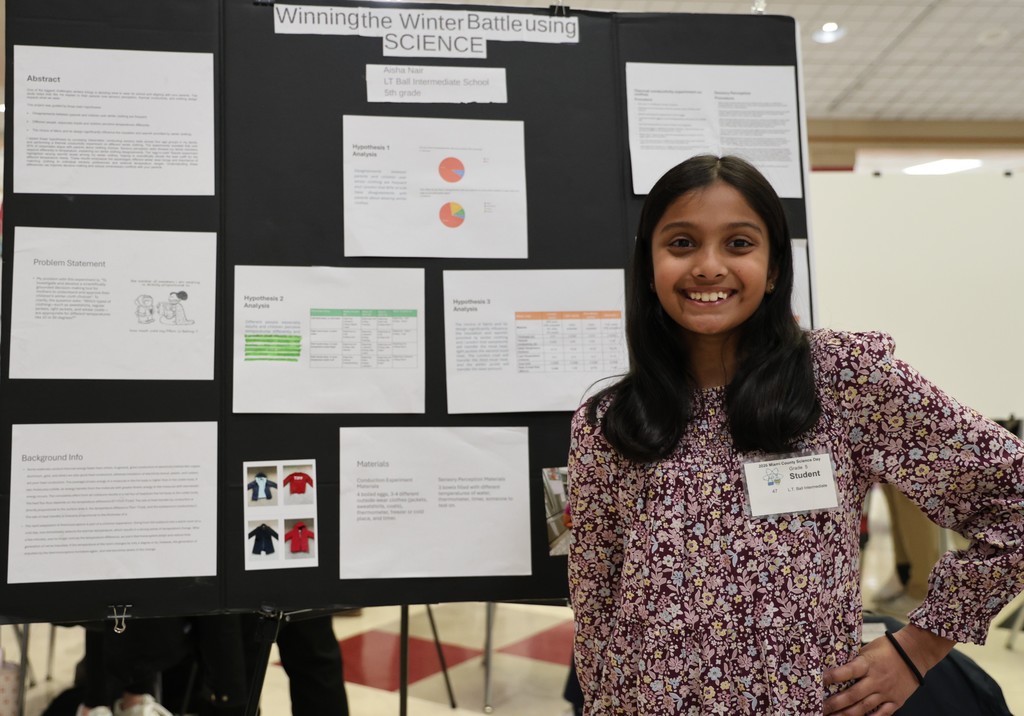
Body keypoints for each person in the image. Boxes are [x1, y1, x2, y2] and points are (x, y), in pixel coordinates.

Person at [566, 154, 1024, 715]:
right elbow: (594, 602)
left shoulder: (841, 380)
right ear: (649, 263)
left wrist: (920, 648)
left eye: (739, 244)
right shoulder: (611, 420)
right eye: (682, 243)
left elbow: (1015, 498)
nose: (708, 267)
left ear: (775, 266)